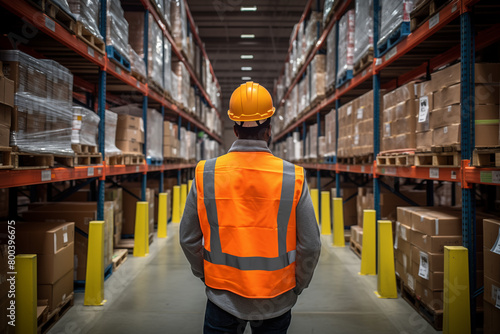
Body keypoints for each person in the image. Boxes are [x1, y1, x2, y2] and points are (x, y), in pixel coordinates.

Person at [179, 82, 321, 334]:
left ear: (234, 128)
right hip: (276, 297)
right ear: (269, 129)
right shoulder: (293, 176)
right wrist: (298, 284)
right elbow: (310, 244)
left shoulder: (206, 173)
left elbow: (188, 239)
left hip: (222, 297)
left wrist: (207, 276)